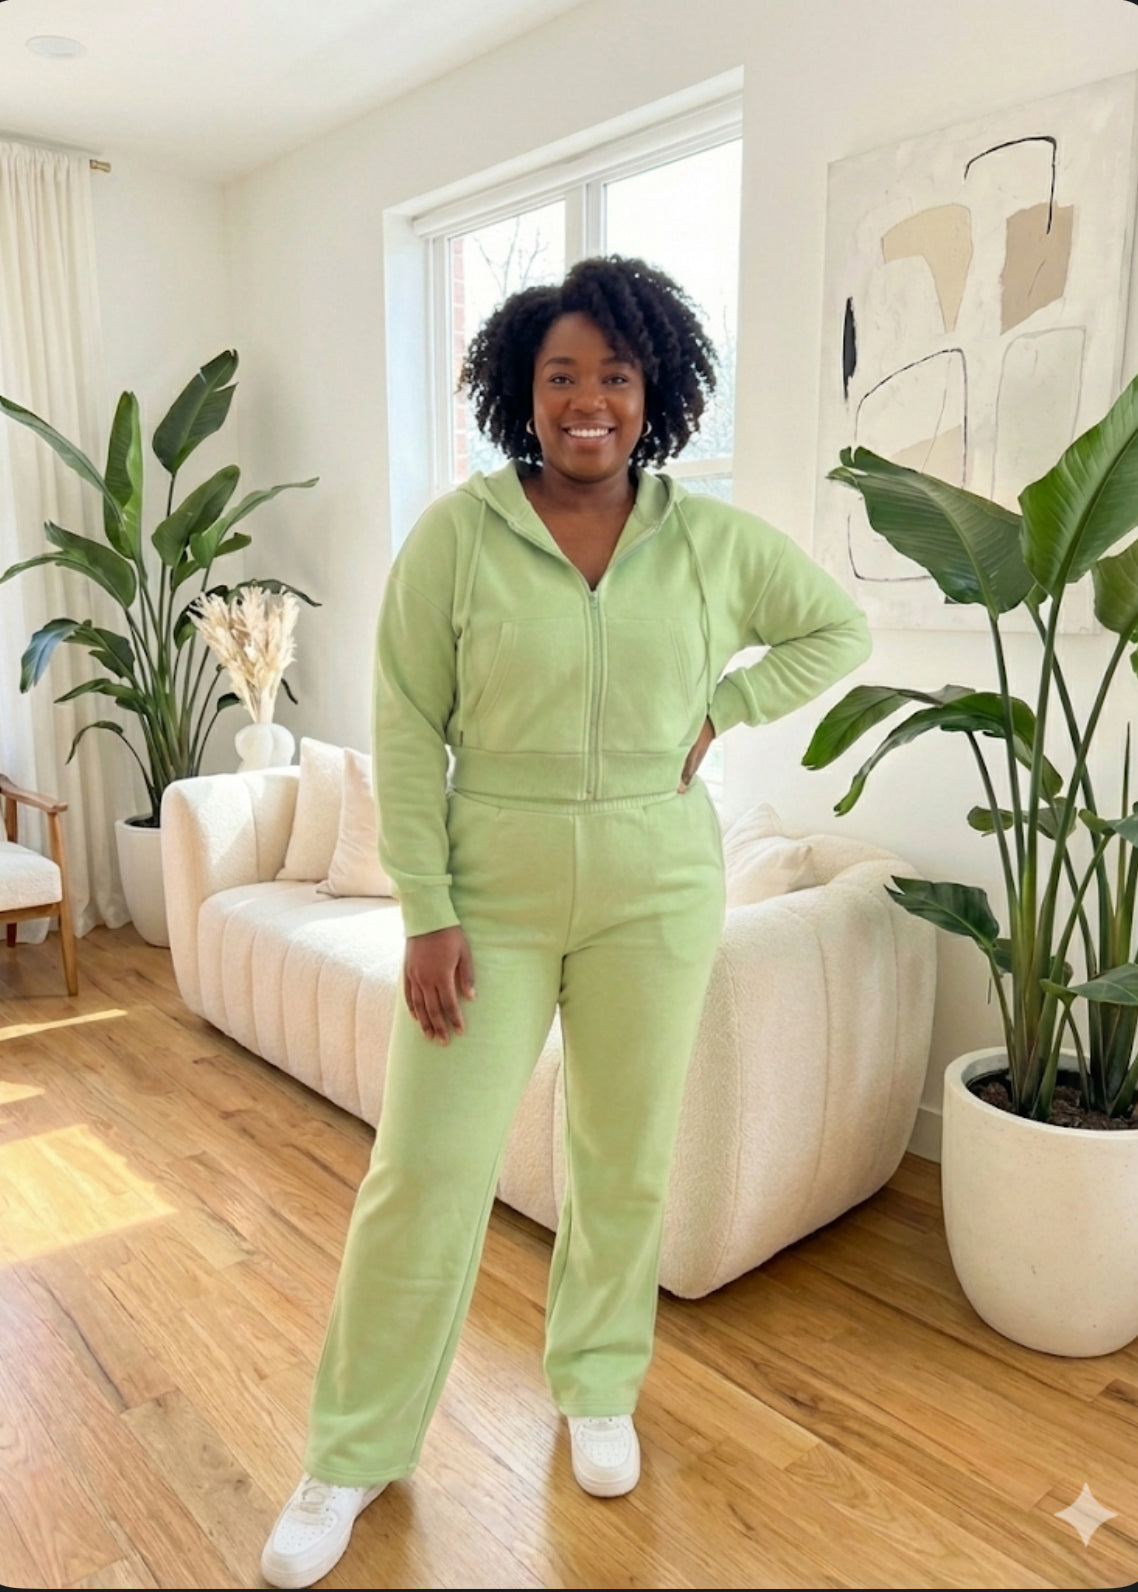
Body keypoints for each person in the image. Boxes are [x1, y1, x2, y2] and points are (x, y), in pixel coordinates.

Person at [261, 255, 871, 1589]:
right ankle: (351, 1449)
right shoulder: (458, 537)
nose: (588, 400)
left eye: (615, 375)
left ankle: (598, 1383)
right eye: (561, 376)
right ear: (519, 392)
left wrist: (725, 709)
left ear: (654, 392)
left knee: (624, 1156)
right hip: (490, 889)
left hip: (657, 886)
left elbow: (834, 628)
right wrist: (426, 907)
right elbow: (405, 728)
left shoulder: (708, 541)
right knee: (426, 1168)